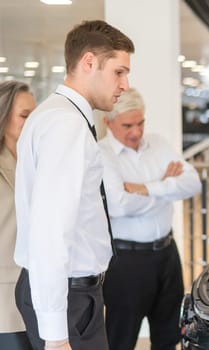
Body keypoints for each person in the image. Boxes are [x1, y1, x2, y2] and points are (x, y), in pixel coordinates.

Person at [14, 20, 134, 350]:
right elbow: (50, 230)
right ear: (89, 62)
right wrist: (55, 335)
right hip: (68, 297)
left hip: (73, 294)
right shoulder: (65, 124)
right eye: (119, 72)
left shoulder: (57, 115)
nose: (124, 84)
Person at [98, 88, 201, 350]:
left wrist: (146, 188)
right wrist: (167, 185)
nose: (136, 131)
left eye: (140, 122)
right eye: (127, 125)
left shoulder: (159, 143)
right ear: (107, 123)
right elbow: (119, 205)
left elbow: (192, 183)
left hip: (167, 254)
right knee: (121, 338)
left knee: (169, 335)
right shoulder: (102, 153)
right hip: (127, 262)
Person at [0, 81, 36, 350]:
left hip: (38, 288)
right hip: (5, 291)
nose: (31, 121)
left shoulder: (34, 159)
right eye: (24, 115)